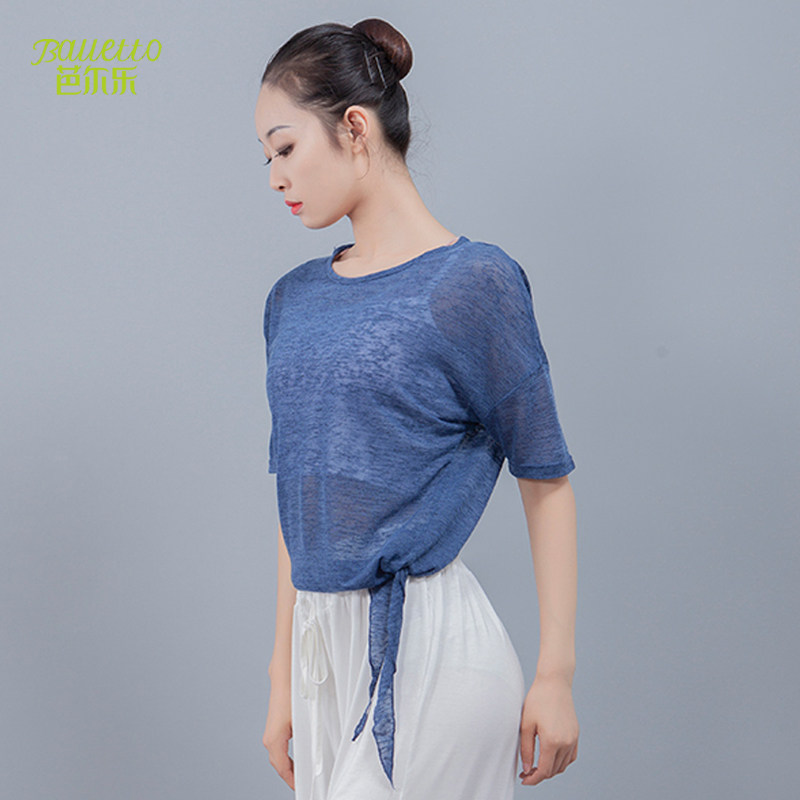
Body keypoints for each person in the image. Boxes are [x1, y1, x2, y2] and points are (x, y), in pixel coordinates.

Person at [256, 18, 580, 800]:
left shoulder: (474, 284)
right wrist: (281, 677)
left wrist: (556, 674)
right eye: (266, 157)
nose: (274, 176)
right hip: (320, 660)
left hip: (433, 652)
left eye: (285, 148)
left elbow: (546, 478)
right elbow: (298, 497)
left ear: (354, 128)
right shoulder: (292, 302)